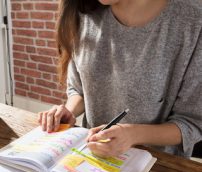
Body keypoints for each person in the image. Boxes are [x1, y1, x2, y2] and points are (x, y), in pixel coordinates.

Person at [38, 0, 202, 158]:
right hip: (92, 158)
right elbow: (79, 89)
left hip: (155, 168)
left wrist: (133, 135)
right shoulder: (84, 12)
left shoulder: (192, 20)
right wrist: (69, 111)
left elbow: (192, 123)